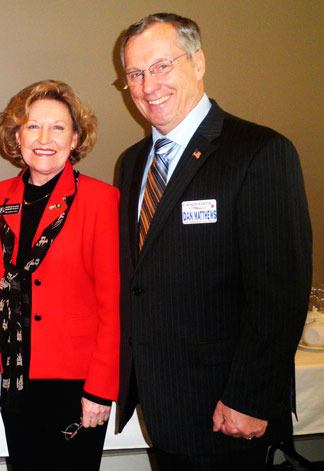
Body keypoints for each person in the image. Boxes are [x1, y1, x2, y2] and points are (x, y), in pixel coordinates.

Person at [114, 12, 312, 470]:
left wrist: (251, 396)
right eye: (136, 74)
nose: (148, 86)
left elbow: (280, 291)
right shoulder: (132, 163)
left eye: (162, 66)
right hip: (162, 405)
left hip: (227, 410)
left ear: (198, 63)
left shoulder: (259, 152)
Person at [0, 80, 120, 470]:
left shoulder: (99, 199)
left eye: (58, 128)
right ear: (17, 135)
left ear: (75, 136)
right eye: (32, 126)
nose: (44, 138)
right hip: (16, 375)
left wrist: (99, 389)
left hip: (76, 383)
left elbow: (113, 303)